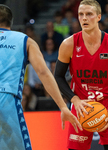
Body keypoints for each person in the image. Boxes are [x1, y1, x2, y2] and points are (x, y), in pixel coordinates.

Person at [0, 4, 82, 150]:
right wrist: (63, 106)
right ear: (11, 22)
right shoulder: (25, 40)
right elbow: (43, 73)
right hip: (6, 100)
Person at [54, 0, 108, 150]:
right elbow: (58, 77)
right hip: (81, 107)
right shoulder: (69, 44)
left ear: (99, 17)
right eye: (81, 14)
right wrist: (74, 99)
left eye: (89, 14)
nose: (84, 18)